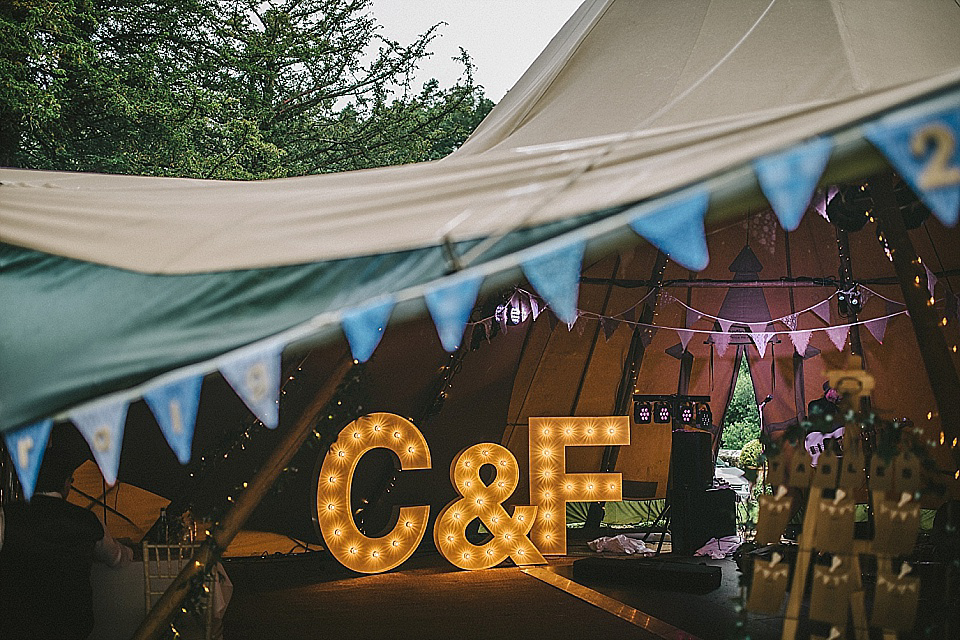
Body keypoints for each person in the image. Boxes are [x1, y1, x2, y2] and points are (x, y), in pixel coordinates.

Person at [0, 449, 133, 639]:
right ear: (65, 482)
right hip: (72, 625)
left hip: (18, 625)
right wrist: (131, 551)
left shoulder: (7, 516)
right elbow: (117, 557)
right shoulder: (88, 520)